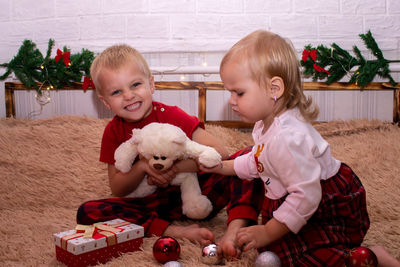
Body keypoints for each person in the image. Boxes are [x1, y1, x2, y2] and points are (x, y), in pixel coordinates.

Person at [200, 30, 400, 266]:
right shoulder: (266, 123)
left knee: (303, 259)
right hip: (297, 192)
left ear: (274, 89)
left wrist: (268, 231)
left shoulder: (288, 138)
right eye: (229, 92)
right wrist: (223, 167)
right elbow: (259, 159)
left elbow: (306, 197)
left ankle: (373, 256)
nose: (231, 100)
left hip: (325, 204)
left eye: (239, 92)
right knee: (277, 250)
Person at [76, 44, 264, 258]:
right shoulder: (113, 131)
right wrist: (143, 167)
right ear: (105, 102)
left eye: (135, 85)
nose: (128, 96)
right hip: (154, 205)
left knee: (250, 160)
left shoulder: (172, 115)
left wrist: (175, 168)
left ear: (151, 84)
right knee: (88, 211)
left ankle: (234, 230)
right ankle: (172, 231)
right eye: (117, 92)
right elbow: (118, 188)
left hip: (198, 192)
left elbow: (220, 153)